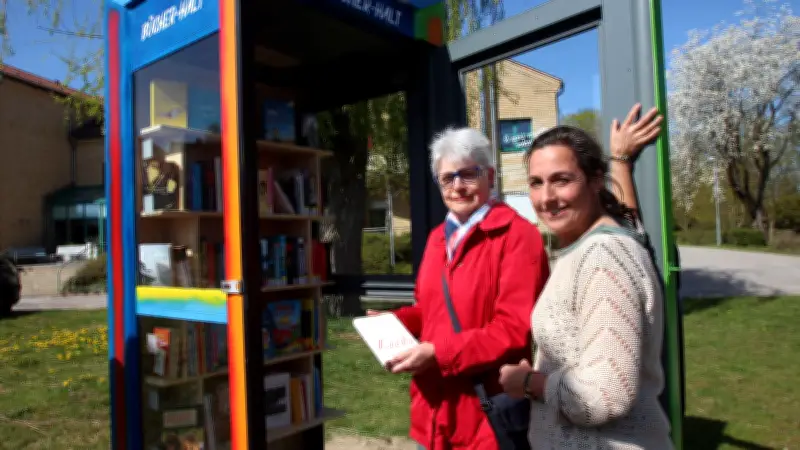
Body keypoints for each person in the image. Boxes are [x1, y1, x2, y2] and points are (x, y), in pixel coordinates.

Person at [498, 105, 673, 449]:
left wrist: (530, 383)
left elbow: (604, 395)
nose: (546, 198)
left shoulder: (603, 257)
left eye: (561, 180)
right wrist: (621, 161)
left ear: (595, 180)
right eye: (536, 183)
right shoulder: (603, 241)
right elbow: (629, 223)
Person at [371, 126, 551, 450]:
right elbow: (430, 309)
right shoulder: (437, 237)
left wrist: (438, 353)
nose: (457, 186)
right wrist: (393, 322)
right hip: (432, 412)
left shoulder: (519, 237)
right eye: (447, 177)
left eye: (468, 174)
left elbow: (513, 329)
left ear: (490, 176)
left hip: (485, 416)